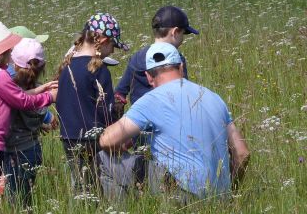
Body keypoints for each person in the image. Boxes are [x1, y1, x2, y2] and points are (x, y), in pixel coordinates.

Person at [98, 42, 250, 200]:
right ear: (181, 67)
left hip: (181, 192)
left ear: (149, 77)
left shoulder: (152, 100)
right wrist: (229, 190)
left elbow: (107, 140)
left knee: (103, 158)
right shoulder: (214, 97)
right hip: (220, 196)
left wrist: (119, 149)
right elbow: (242, 153)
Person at [0, 19, 57, 212]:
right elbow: (22, 101)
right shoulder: (0, 76)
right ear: (0, 53)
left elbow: (12, 96)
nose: (10, 56)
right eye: (8, 52)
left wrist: (41, 88)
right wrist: (49, 97)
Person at [55, 12, 129, 197]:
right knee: (100, 185)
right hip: (94, 139)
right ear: (102, 41)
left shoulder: (67, 67)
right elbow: (107, 110)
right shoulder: (99, 69)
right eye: (112, 45)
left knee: (79, 184)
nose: (112, 51)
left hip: (68, 136)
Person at [114, 6, 198, 117]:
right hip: (169, 123)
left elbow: (120, 93)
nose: (183, 39)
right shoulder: (177, 60)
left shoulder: (136, 58)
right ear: (175, 32)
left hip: (139, 125)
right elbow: (182, 94)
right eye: (183, 33)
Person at [4, 38, 57, 208]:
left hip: (13, 153)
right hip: (32, 149)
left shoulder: (7, 89)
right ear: (42, 66)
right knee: (26, 198)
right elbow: (37, 114)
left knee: (14, 201)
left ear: (14, 63)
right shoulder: (41, 91)